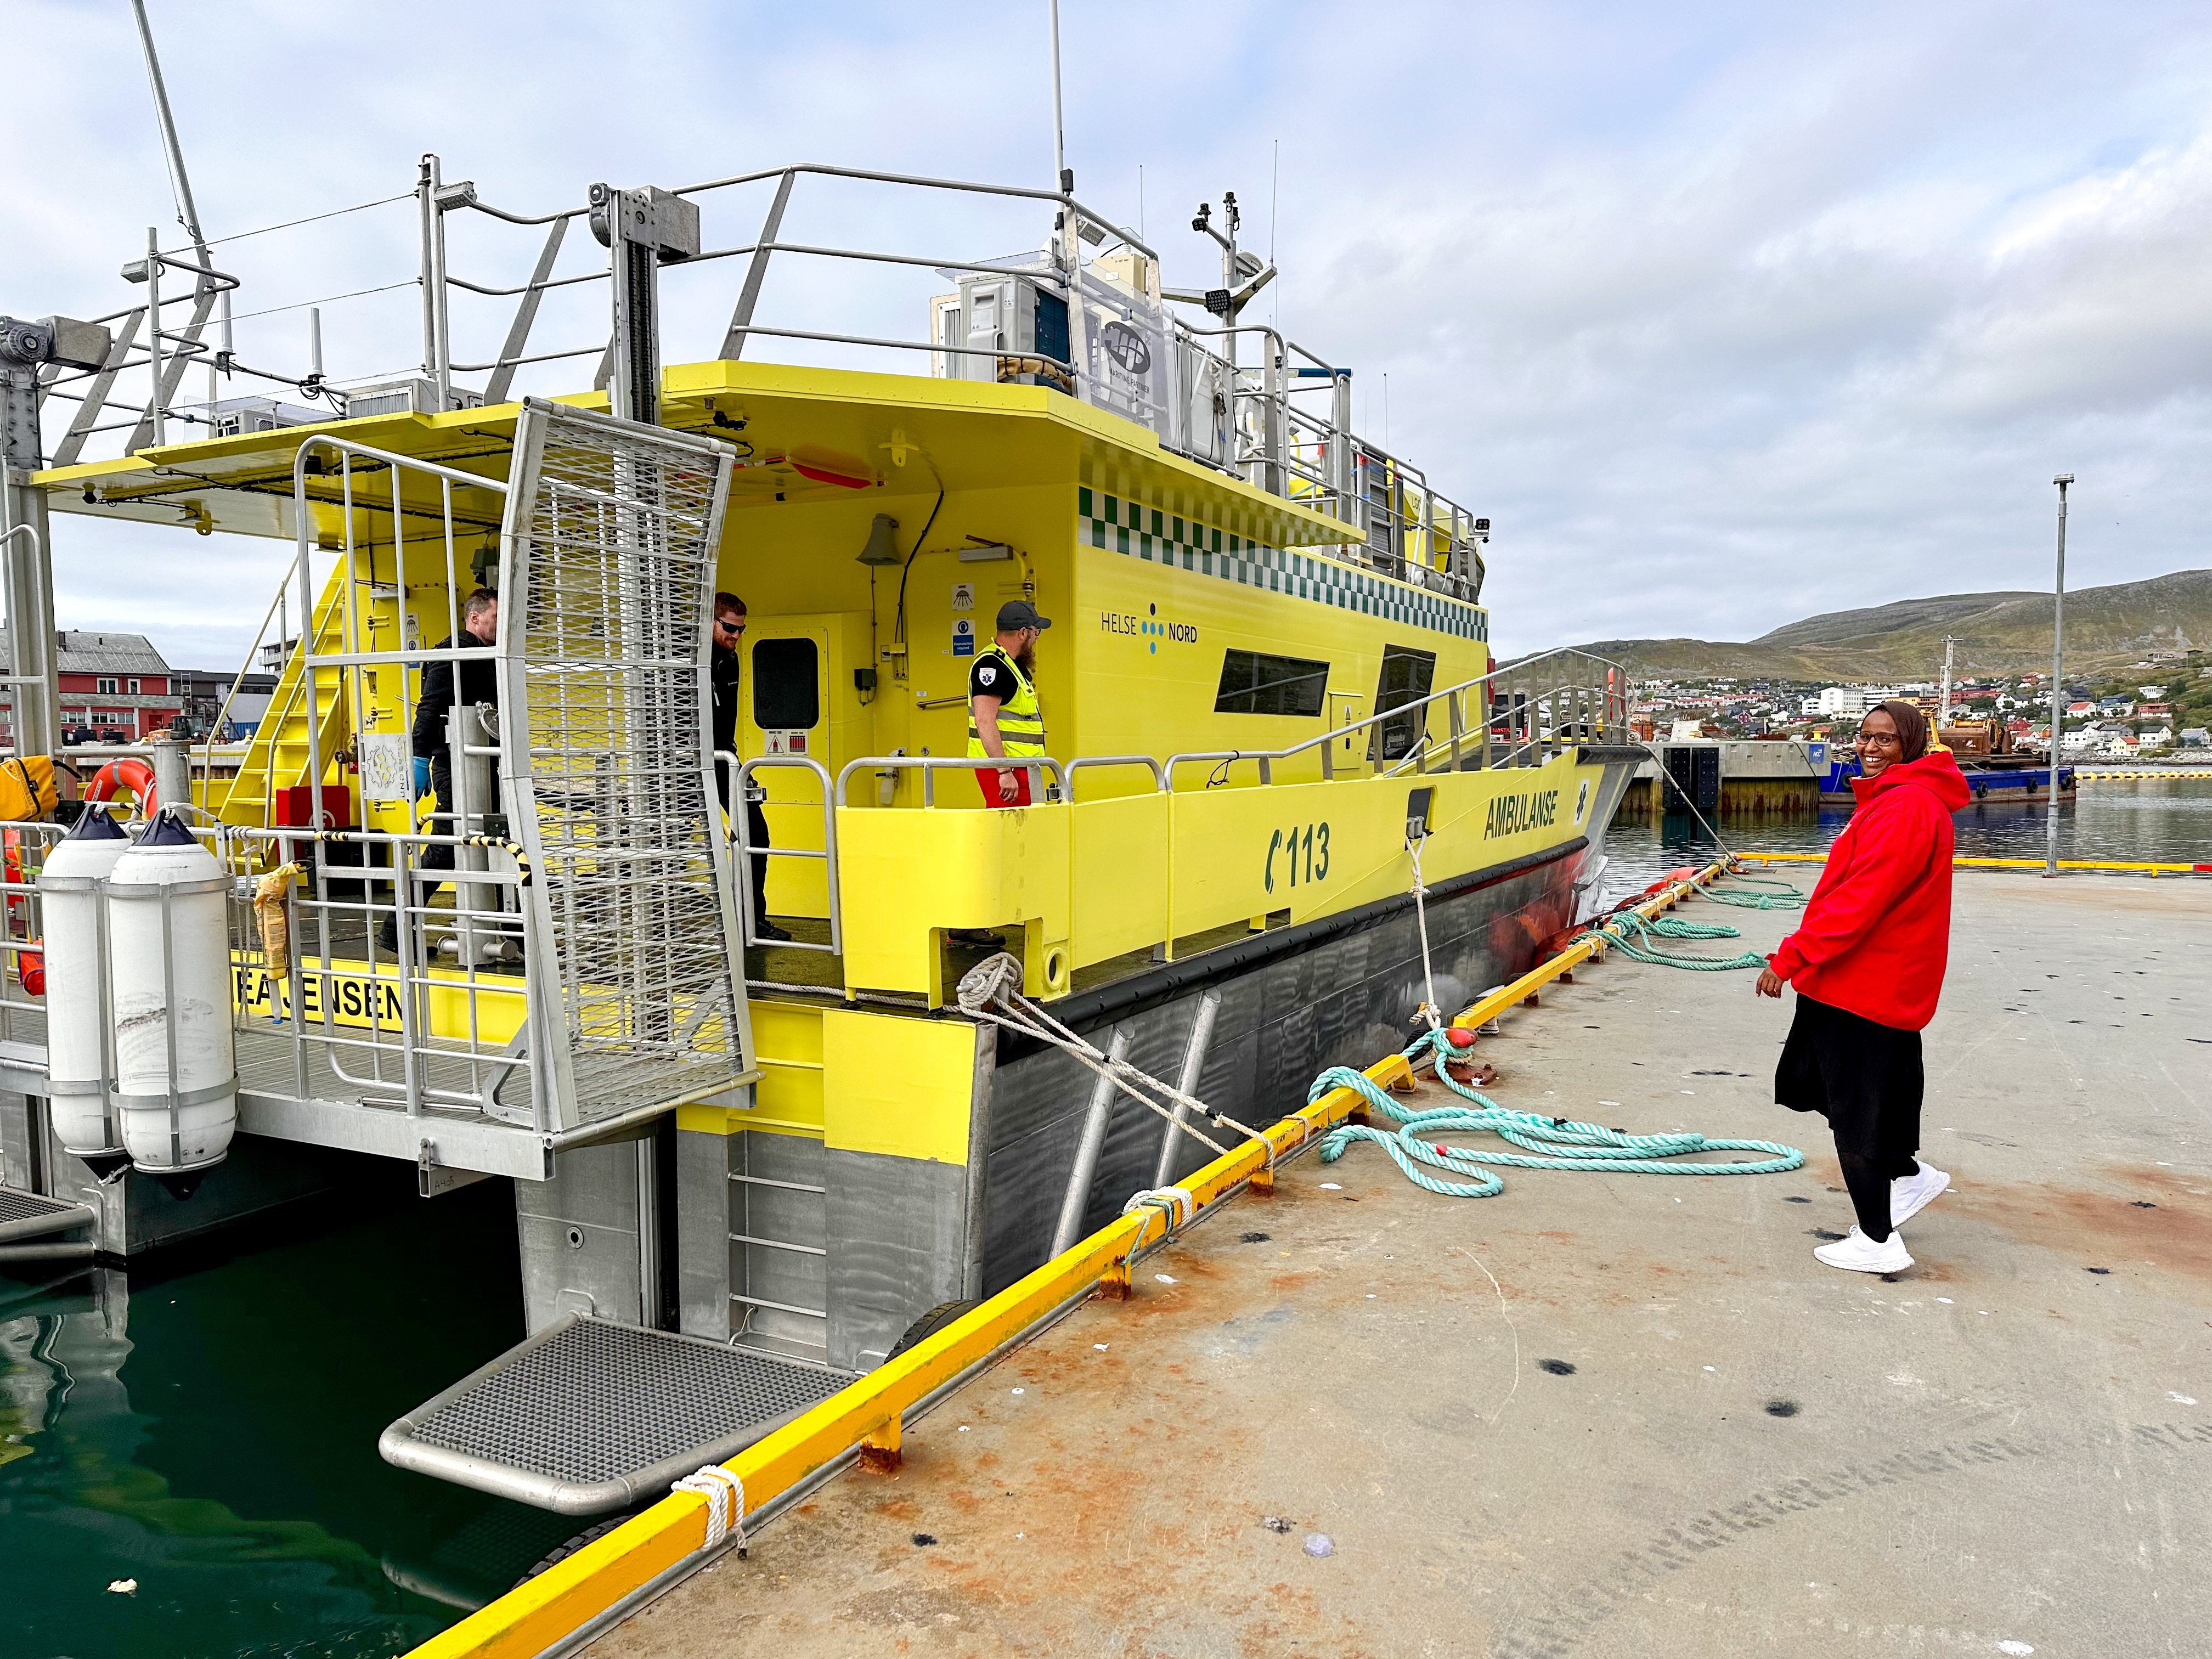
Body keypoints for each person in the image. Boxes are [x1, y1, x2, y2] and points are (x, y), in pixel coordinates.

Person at [1757, 700, 1970, 1274]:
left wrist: (1791, 958)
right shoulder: (1900, 799)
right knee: (1846, 1094)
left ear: (1912, 745)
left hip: (1865, 987)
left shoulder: (1906, 807)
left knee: (1856, 1113)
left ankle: (1878, 1241)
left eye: (1886, 739)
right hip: (1865, 982)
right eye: (1865, 736)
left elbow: (1858, 901)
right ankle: (1910, 1177)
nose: (1871, 748)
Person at [378, 589, 501, 953]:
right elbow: (429, 709)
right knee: (446, 849)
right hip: (456, 765)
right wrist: (418, 758)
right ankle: (395, 929)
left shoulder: (488, 655)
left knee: (498, 844)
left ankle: (508, 931)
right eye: (496, 617)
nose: (502, 624)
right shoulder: (452, 654)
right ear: (475, 617)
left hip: (487, 764)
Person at [710, 592, 789, 943]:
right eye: (729, 628)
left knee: (756, 834)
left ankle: (751, 921)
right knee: (670, 839)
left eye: (741, 630)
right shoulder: (688, 661)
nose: (736, 636)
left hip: (723, 760)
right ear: (710, 621)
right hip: (683, 764)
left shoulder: (731, 660)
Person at [967, 599, 1051, 807]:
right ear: (1023, 633)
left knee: (1025, 825)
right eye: (1036, 632)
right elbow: (984, 721)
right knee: (1010, 825)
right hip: (1006, 770)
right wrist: (1004, 771)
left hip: (1019, 766)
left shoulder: (1010, 664)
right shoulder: (992, 665)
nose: (1036, 639)